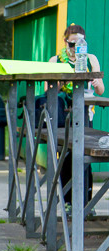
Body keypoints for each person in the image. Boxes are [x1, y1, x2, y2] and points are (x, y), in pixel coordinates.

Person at [46, 24, 105, 213]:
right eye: (72, 44)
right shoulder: (56, 60)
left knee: (84, 155)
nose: (76, 49)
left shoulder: (90, 59)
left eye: (80, 44)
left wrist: (95, 82)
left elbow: (101, 90)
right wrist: (61, 82)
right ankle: (67, 201)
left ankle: (86, 202)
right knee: (66, 155)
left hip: (84, 110)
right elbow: (48, 90)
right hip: (64, 113)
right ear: (65, 42)